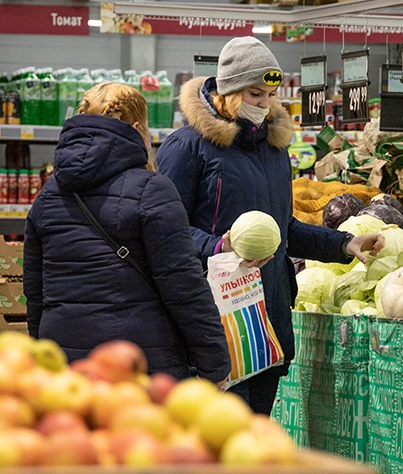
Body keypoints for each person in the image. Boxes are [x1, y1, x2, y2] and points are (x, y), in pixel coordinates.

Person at [156, 37, 381, 413]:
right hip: (215, 318)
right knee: (223, 442)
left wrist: (343, 245)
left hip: (267, 317)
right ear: (228, 91)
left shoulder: (275, 152)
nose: (263, 105)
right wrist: (219, 247)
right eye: (255, 94)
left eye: (270, 95)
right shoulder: (187, 147)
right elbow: (167, 232)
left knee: (255, 439)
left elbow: (284, 229)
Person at [23, 82, 231, 383]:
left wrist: (43, 354)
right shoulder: (153, 190)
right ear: (137, 128)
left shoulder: (47, 196)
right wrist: (215, 364)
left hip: (66, 369)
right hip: (137, 366)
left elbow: (35, 291)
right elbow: (184, 288)